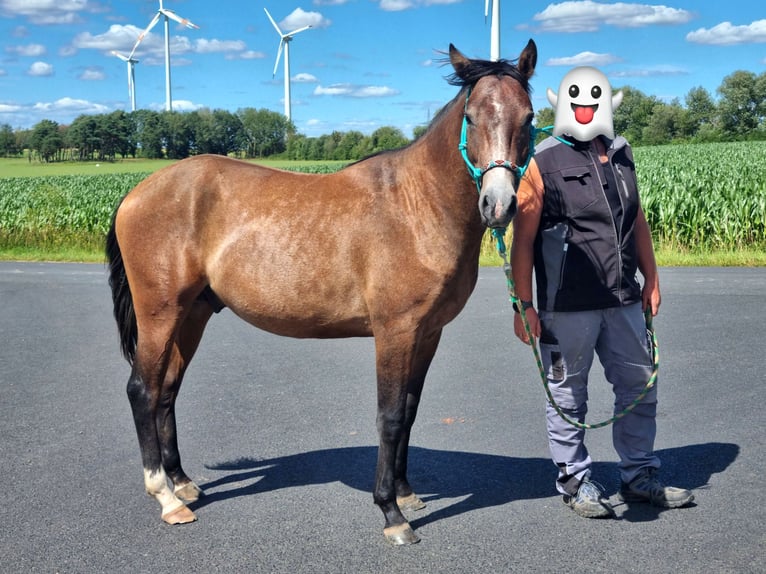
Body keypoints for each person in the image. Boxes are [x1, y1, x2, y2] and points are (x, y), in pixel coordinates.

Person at [510, 66, 694, 518]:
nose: (586, 105)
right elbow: (524, 240)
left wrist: (651, 278)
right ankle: (575, 482)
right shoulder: (543, 160)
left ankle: (639, 475)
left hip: (623, 300)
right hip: (566, 304)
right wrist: (524, 304)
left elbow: (638, 221)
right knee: (568, 396)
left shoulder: (622, 151)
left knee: (638, 386)